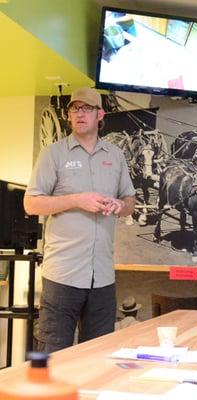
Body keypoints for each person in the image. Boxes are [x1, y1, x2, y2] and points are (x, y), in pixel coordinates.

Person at [24, 87, 136, 353]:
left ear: (100, 114)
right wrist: (77, 199)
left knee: (97, 355)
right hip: (63, 275)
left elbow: (130, 203)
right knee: (52, 355)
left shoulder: (115, 156)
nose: (79, 114)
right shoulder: (53, 154)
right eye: (74, 109)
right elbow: (31, 203)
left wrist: (120, 205)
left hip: (103, 278)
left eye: (86, 109)